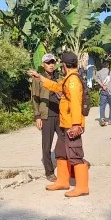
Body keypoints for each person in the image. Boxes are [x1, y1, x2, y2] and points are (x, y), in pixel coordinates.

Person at [27, 51, 89, 198]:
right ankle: (62, 181)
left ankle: (82, 187)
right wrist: (40, 77)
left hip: (71, 125)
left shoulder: (73, 81)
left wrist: (76, 124)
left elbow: (74, 103)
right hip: (64, 123)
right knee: (60, 152)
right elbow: (55, 87)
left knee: (75, 154)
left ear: (65, 66)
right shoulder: (67, 79)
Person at [31, 53, 61, 182]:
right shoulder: (38, 78)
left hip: (60, 115)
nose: (51, 65)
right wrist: (37, 116)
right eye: (48, 62)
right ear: (43, 64)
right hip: (46, 115)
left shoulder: (59, 78)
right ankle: (49, 171)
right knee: (47, 145)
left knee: (64, 142)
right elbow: (34, 98)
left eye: (53, 62)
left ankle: (66, 167)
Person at [95, 59, 111, 126]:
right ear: (108, 65)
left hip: (103, 91)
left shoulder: (98, 72)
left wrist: (102, 85)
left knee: (102, 106)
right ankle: (110, 120)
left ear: (102, 64)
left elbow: (96, 79)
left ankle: (102, 119)